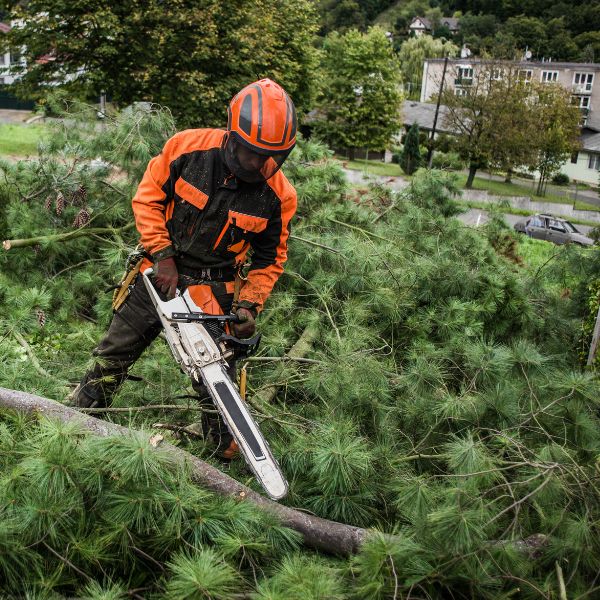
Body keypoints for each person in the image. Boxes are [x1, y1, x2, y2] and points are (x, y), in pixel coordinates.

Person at [70, 79, 298, 456]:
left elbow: (270, 259)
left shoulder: (278, 195)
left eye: (270, 156)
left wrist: (248, 306)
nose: (259, 164)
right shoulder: (187, 149)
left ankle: (220, 454)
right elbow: (147, 198)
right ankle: (78, 420)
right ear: (233, 135)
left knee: (215, 385)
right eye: (252, 153)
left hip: (215, 290)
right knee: (114, 354)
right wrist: (162, 255)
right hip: (159, 276)